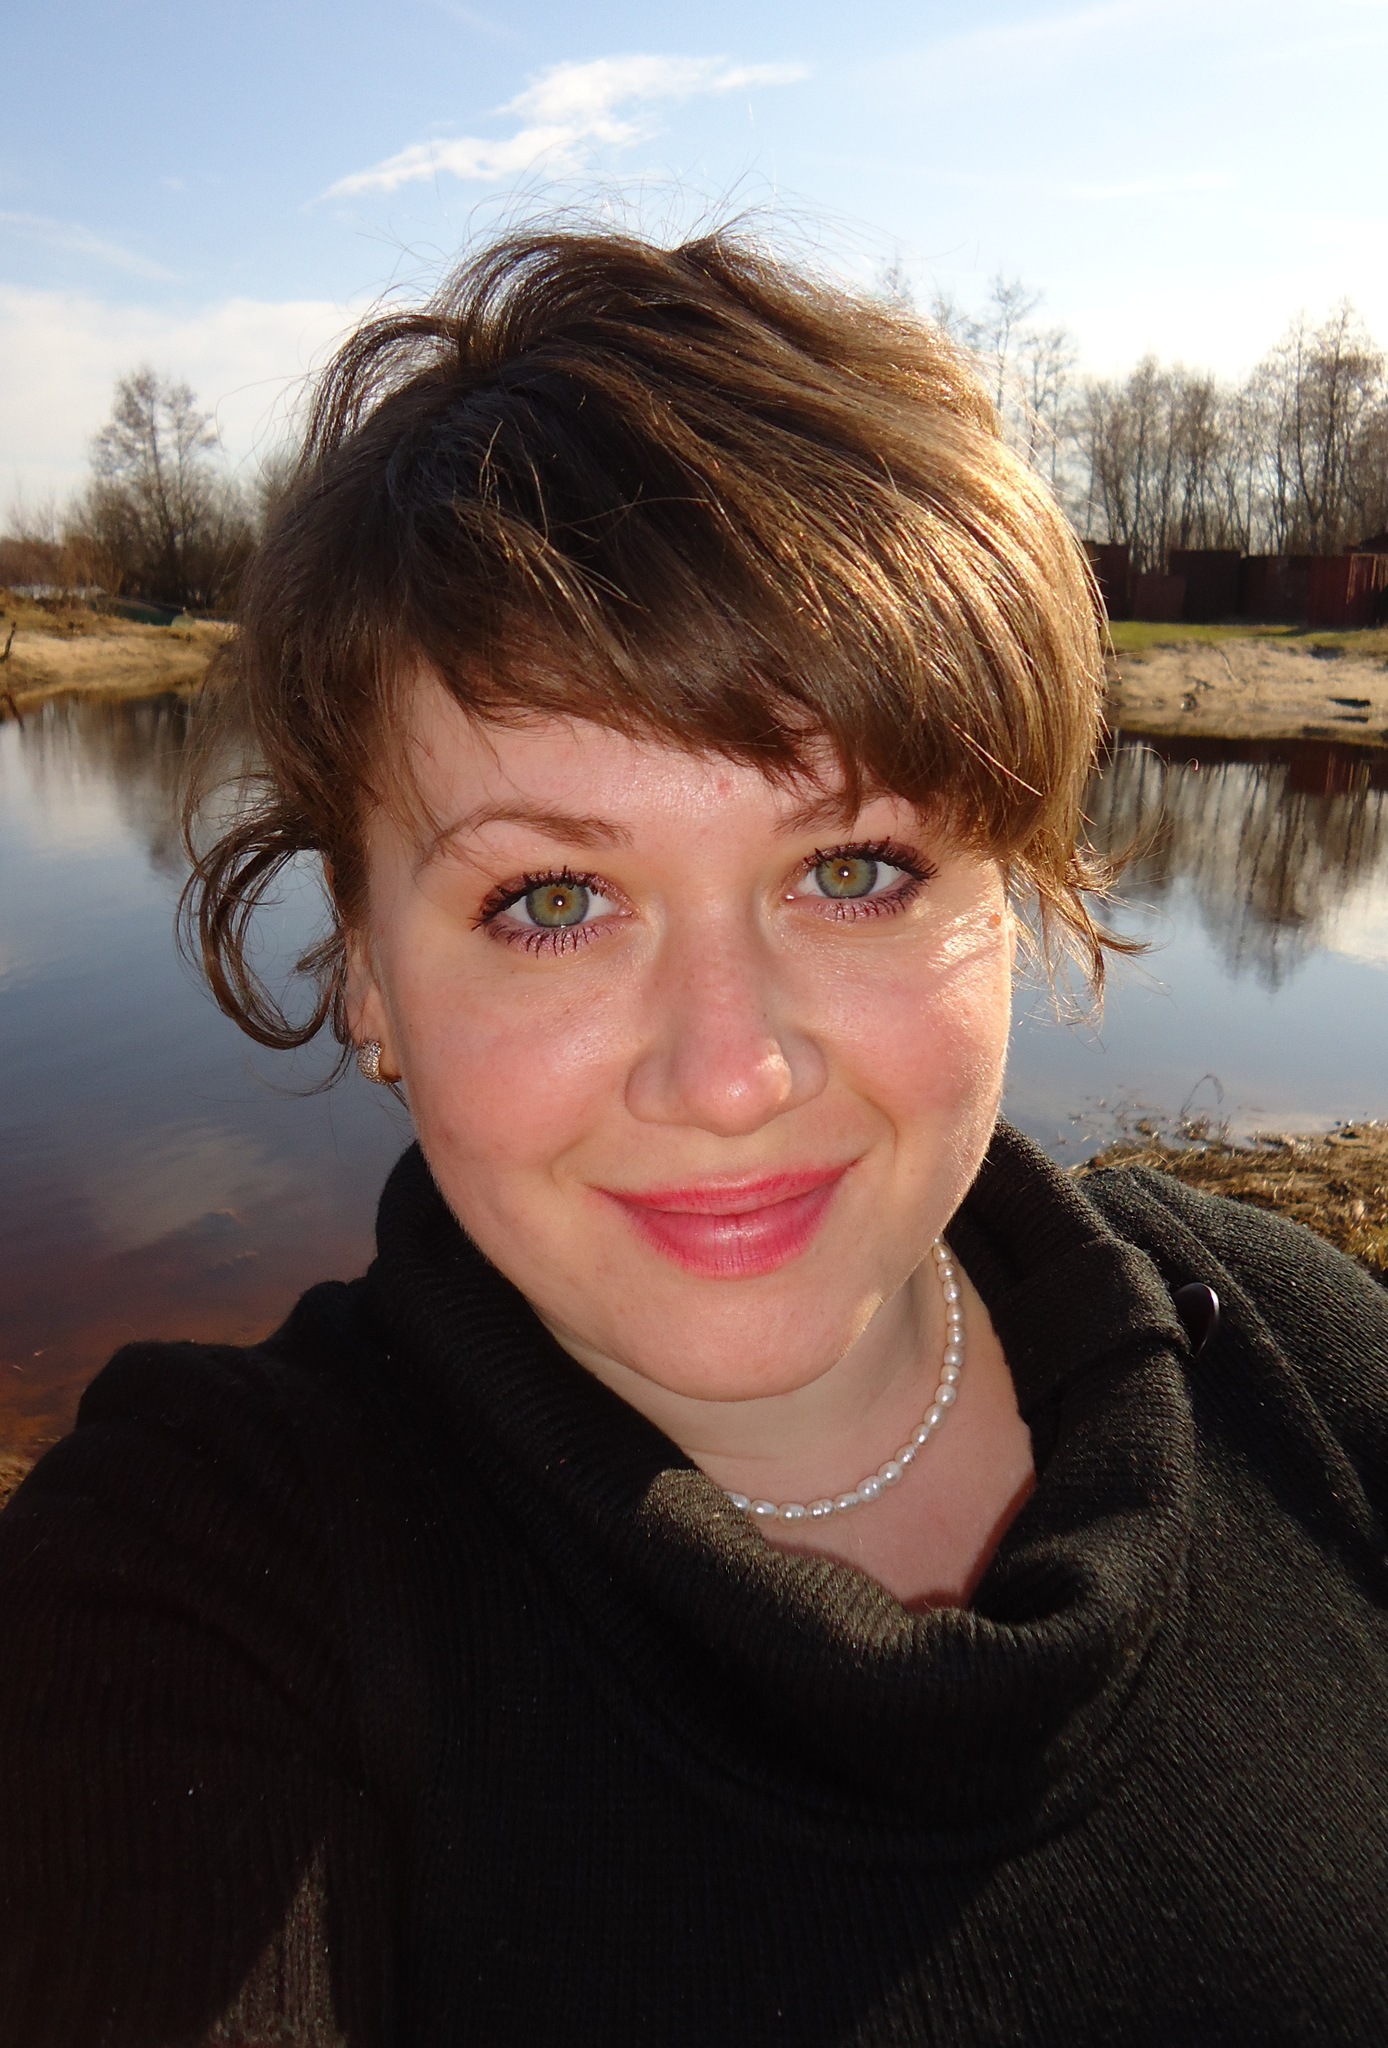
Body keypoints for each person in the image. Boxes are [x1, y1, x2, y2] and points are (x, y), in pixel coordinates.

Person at [1, 227, 1385, 2048]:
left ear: (1024, 897)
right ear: (367, 975)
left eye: (854, 869)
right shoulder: (199, 1587)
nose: (729, 1077)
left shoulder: (1308, 1361)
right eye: (553, 900)